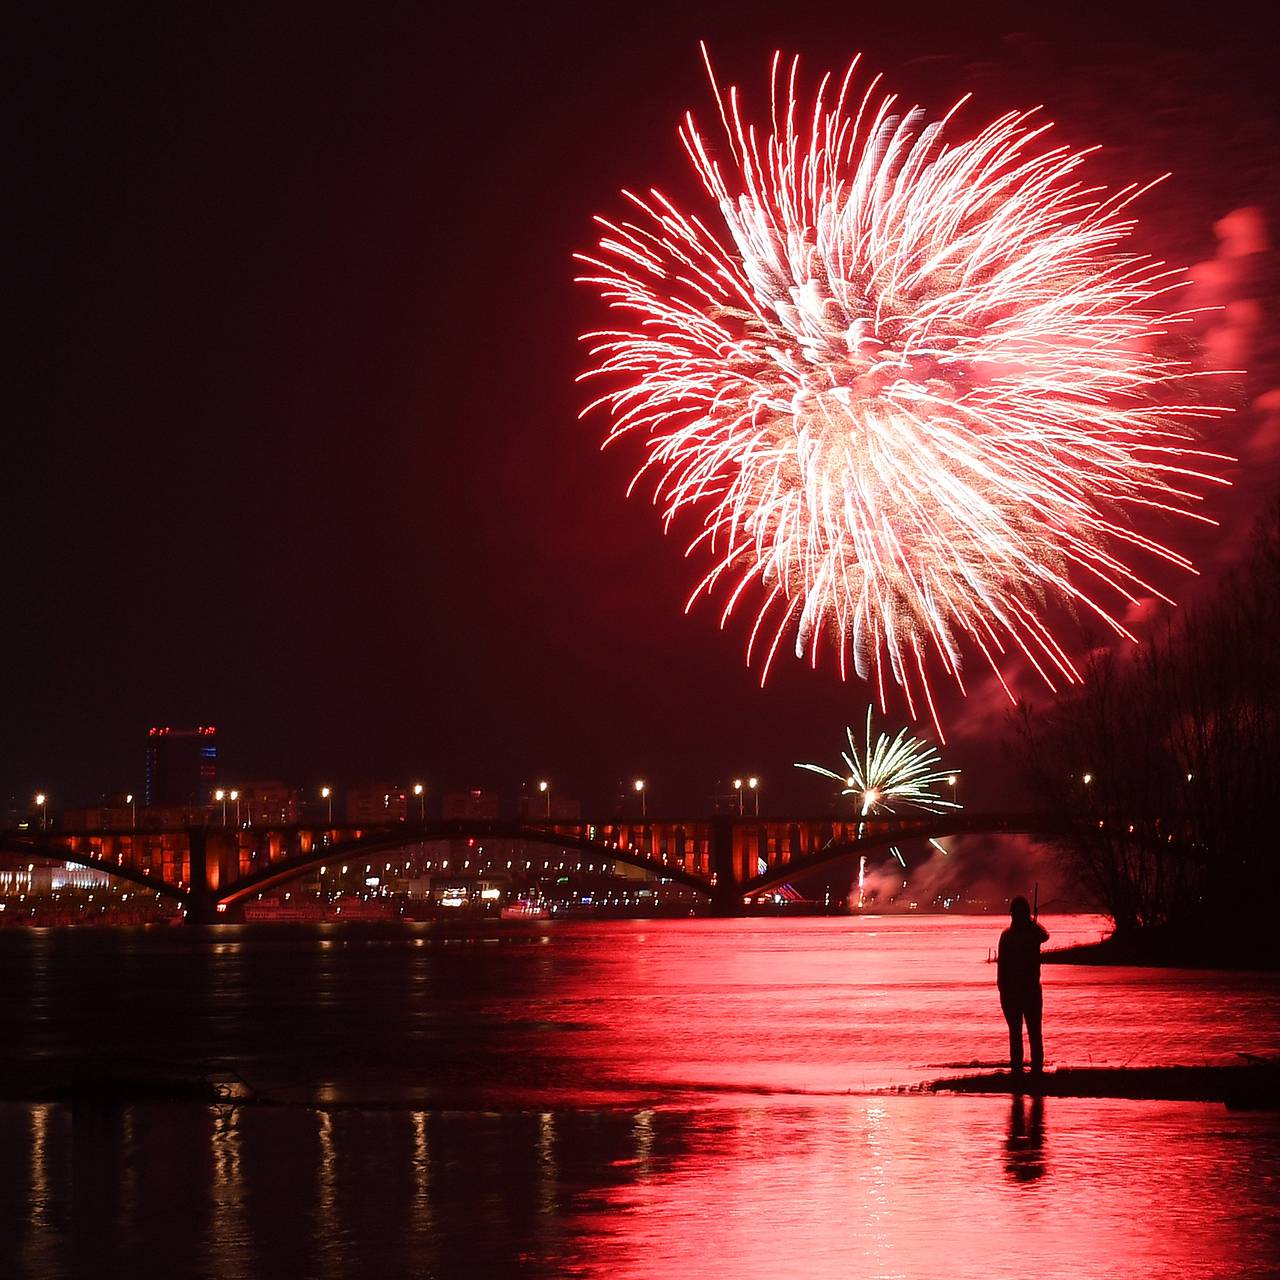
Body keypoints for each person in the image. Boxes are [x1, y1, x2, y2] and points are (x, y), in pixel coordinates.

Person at [997, 896, 1049, 1075]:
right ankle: (1032, 1070)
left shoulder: (1011, 936)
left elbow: (1001, 968)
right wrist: (1033, 923)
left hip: (1023, 991)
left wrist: (1002, 991)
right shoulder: (1028, 934)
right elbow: (1002, 968)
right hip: (1023, 992)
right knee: (1030, 1033)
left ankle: (1021, 1070)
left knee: (1023, 1033)